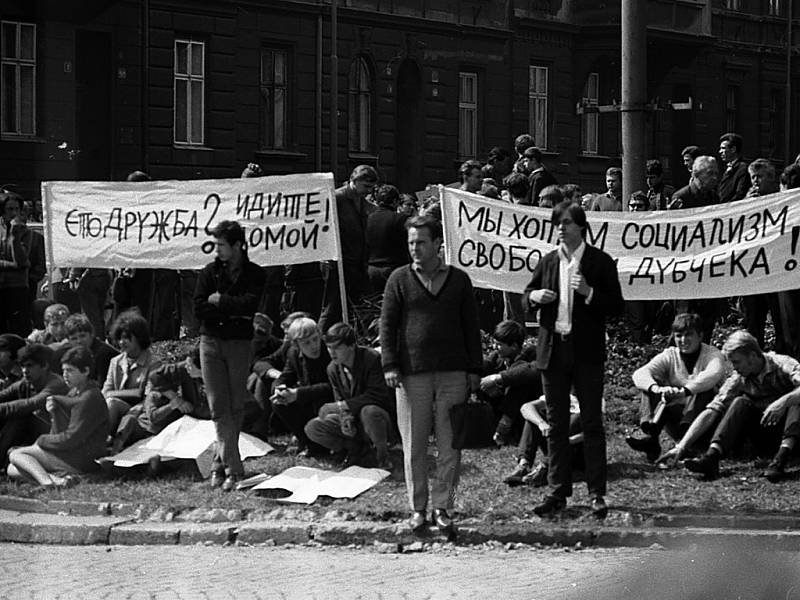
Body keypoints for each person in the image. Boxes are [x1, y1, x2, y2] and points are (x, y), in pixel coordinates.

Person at [380, 214, 482, 534]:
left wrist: (474, 369)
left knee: (451, 448)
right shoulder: (398, 279)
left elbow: (471, 327)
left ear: (438, 244)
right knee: (414, 446)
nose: (415, 248)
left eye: (421, 242)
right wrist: (390, 365)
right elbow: (387, 326)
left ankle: (446, 506)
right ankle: (418, 509)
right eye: (411, 243)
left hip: (453, 375)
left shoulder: (459, 280)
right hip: (412, 377)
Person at [523, 201, 624, 518]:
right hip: (553, 352)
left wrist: (590, 293)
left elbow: (617, 307)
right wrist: (535, 297)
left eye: (566, 222)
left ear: (581, 226)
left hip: (586, 353)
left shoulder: (599, 262)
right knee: (556, 425)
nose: (561, 228)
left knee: (592, 422)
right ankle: (557, 491)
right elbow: (526, 296)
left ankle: (597, 493)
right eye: (557, 223)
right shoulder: (549, 261)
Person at [194, 220, 266, 491]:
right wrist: (230, 308)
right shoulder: (209, 273)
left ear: (237, 245)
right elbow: (199, 308)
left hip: (238, 343)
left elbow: (250, 305)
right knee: (217, 406)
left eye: (223, 245)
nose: (218, 250)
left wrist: (221, 301)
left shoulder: (255, 274)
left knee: (235, 405)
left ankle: (218, 463)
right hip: (210, 343)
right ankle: (234, 468)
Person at [679, 331, 800, 483]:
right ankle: (712, 457)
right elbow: (713, 409)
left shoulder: (783, 364)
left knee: (796, 400)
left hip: (793, 433)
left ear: (752, 356)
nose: (734, 368)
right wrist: (682, 446)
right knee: (739, 402)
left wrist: (783, 402)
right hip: (765, 433)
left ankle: (780, 461)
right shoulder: (739, 378)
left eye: (737, 362)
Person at [625, 313, 728, 462]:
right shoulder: (670, 355)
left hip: (705, 423)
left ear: (700, 336)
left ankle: (687, 442)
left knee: (705, 389)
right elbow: (640, 374)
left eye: (689, 335)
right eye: (679, 336)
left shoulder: (712, 354)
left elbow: (712, 375)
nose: (683, 340)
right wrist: (657, 389)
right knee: (649, 385)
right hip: (676, 418)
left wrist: (683, 392)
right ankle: (650, 436)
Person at [8, 346, 108, 487]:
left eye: (70, 371)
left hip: (82, 459)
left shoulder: (90, 397)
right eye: (63, 370)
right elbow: (60, 431)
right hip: (70, 454)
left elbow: (71, 438)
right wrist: (54, 413)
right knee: (12, 468)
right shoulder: (74, 392)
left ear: (86, 371)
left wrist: (41, 441)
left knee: (16, 455)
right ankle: (58, 480)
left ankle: (47, 482)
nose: (65, 375)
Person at [304, 322, 396, 469]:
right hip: (355, 419)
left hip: (379, 418)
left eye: (337, 347)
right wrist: (345, 418)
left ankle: (383, 456)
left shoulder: (371, 358)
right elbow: (339, 397)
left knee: (369, 412)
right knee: (313, 427)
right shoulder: (333, 368)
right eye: (329, 347)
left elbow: (376, 395)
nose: (332, 352)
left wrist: (340, 406)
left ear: (351, 345)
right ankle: (353, 450)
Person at [318, 165, 378, 332]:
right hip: (338, 263)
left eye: (371, 188)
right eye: (366, 186)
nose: (368, 191)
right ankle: (320, 342)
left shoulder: (362, 202)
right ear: (354, 180)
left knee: (363, 307)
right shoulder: (337, 197)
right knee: (332, 307)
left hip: (357, 263)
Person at [271, 317, 333, 456]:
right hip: (309, 401)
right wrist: (279, 388)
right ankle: (306, 441)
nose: (313, 345)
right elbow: (285, 376)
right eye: (306, 343)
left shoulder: (330, 351)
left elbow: (332, 386)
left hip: (330, 402)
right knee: (279, 402)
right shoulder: (293, 354)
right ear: (297, 344)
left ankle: (322, 444)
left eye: (315, 339)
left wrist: (298, 394)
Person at [0, 343, 69, 467]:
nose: (25, 371)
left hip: (57, 435)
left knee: (22, 417)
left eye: (30, 366)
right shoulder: (25, 383)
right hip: (36, 436)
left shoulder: (56, 384)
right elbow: (4, 395)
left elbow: (31, 404)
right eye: (22, 366)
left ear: (45, 366)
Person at [503, 392, 587, 488]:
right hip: (555, 443)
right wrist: (541, 423)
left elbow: (595, 432)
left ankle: (544, 468)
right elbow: (526, 407)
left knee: (576, 419)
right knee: (535, 415)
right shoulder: (561, 393)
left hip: (575, 448)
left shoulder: (592, 399)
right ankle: (523, 465)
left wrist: (569, 440)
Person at [109, 362, 198, 454]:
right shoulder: (153, 396)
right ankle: (116, 448)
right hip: (141, 428)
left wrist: (185, 406)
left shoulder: (179, 401)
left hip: (157, 435)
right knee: (129, 419)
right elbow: (153, 417)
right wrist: (171, 406)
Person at [480, 320, 541, 447]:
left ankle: (504, 426)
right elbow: (486, 365)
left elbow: (531, 371)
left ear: (513, 346)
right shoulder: (497, 357)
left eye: (500, 345)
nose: (496, 348)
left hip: (525, 407)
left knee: (520, 378)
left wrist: (498, 378)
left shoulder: (531, 353)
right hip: (502, 405)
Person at [103, 309, 161, 435]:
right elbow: (106, 391)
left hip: (139, 412)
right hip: (116, 407)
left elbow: (150, 397)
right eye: (119, 338)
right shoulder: (116, 362)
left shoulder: (153, 363)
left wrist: (134, 409)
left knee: (112, 403)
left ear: (139, 337)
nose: (121, 342)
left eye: (126, 338)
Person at [366, 184, 410, 294]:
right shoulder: (400, 219)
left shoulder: (367, 218)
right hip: (394, 270)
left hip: (371, 270)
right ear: (395, 201)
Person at [0, 191, 31, 337]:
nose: (13, 213)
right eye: (10, 209)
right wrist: (11, 265)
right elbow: (17, 265)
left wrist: (14, 238)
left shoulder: (25, 232)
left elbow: (22, 262)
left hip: (18, 287)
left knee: (19, 328)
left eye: (17, 209)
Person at [60, 313, 118, 385]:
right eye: (74, 338)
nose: (79, 341)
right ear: (68, 340)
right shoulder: (69, 353)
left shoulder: (103, 354)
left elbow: (101, 385)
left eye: (82, 336)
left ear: (92, 334)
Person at [717, 132, 750, 204]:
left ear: (733, 149)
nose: (720, 152)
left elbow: (740, 194)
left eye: (723, 148)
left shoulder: (742, 168)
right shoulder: (724, 168)